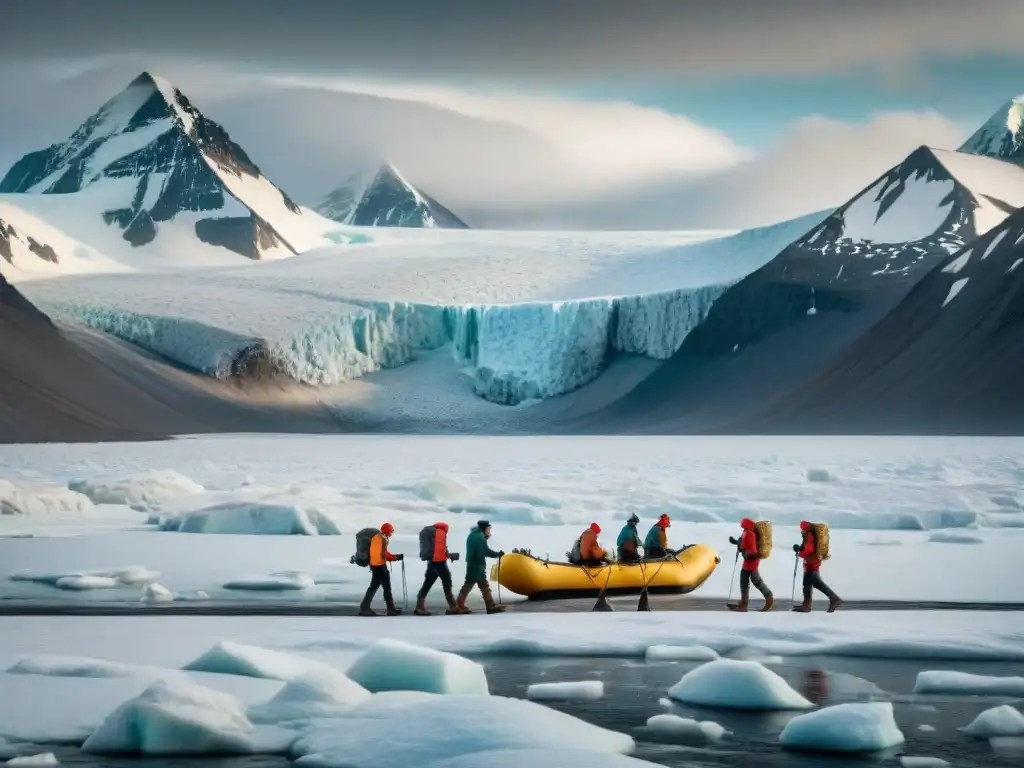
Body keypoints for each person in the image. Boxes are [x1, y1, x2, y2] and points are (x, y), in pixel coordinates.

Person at [455, 520, 506, 614]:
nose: (489, 531)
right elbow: (484, 551)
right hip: (477, 565)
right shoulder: (479, 538)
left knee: (468, 584)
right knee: (484, 586)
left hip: (471, 563)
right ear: (485, 528)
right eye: (489, 529)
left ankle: (459, 604)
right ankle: (490, 606)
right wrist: (497, 554)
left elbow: (480, 549)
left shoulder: (473, 535)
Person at [792, 520, 842, 613]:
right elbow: (807, 548)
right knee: (807, 584)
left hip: (812, 564)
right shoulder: (810, 535)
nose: (801, 531)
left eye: (802, 529)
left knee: (816, 584)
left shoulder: (809, 536)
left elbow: (809, 551)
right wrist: (800, 549)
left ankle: (834, 599)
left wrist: (800, 553)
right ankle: (806, 605)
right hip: (811, 564)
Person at [727, 518, 774, 612]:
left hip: (750, 560)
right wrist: (737, 542)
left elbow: (743, 546)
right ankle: (744, 603)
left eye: (742, 523)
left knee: (753, 581)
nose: (741, 524)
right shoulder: (750, 533)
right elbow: (746, 544)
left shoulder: (748, 533)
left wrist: (738, 543)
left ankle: (768, 597)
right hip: (751, 560)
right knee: (748, 580)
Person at [414, 522, 460, 616]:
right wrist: (444, 559)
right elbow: (439, 552)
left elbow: (439, 549)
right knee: (447, 581)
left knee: (427, 584)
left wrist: (449, 556)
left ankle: (419, 606)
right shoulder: (440, 532)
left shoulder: (430, 533)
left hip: (431, 562)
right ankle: (453, 606)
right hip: (438, 563)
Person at [359, 522, 404, 617]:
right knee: (387, 587)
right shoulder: (381, 538)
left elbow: (381, 553)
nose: (392, 533)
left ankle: (364, 607)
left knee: (374, 587)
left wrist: (395, 557)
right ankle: (391, 609)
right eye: (391, 531)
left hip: (375, 566)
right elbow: (383, 554)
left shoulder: (379, 537)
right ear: (388, 531)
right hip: (379, 567)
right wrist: (395, 557)